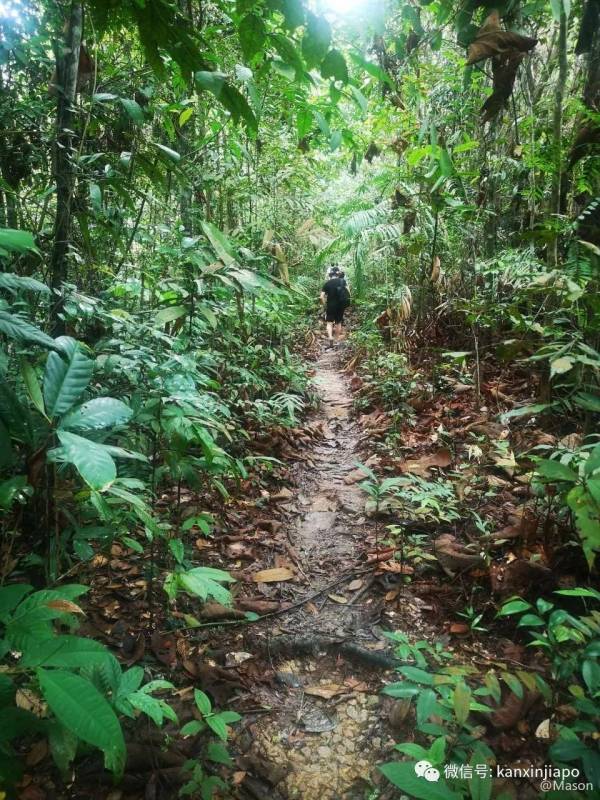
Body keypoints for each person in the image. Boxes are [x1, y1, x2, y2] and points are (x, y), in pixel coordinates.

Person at [320, 266, 350, 344]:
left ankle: (330, 337)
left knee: (329, 322)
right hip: (340, 305)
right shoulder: (343, 281)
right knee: (338, 322)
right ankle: (336, 339)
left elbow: (321, 297)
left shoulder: (327, 283)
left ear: (330, 275)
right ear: (338, 274)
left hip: (330, 305)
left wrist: (324, 305)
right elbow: (349, 292)